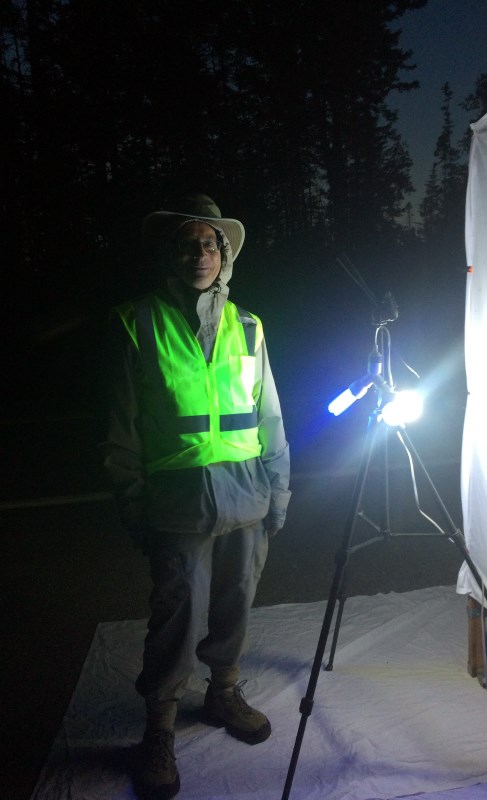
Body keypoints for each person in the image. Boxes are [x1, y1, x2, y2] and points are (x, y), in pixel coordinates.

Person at [103, 192, 291, 799]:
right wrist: (133, 504)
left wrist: (279, 491)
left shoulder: (251, 326)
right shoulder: (138, 321)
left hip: (248, 499)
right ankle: (158, 728)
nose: (200, 253)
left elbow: (270, 419)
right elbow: (122, 427)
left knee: (234, 606)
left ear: (225, 253)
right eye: (187, 243)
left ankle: (223, 694)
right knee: (175, 622)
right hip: (177, 505)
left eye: (209, 243)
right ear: (170, 253)